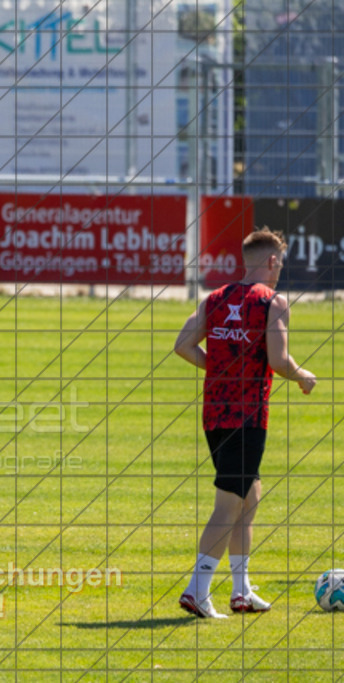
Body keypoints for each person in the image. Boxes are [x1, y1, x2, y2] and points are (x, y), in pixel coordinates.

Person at [174, 227, 316, 618]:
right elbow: (278, 360)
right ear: (272, 261)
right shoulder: (273, 301)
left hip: (214, 415)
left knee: (249, 495)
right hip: (247, 417)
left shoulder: (215, 299)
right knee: (229, 504)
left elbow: (182, 346)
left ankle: (241, 591)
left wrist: (220, 369)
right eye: (280, 264)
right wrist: (303, 375)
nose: (279, 271)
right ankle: (196, 590)